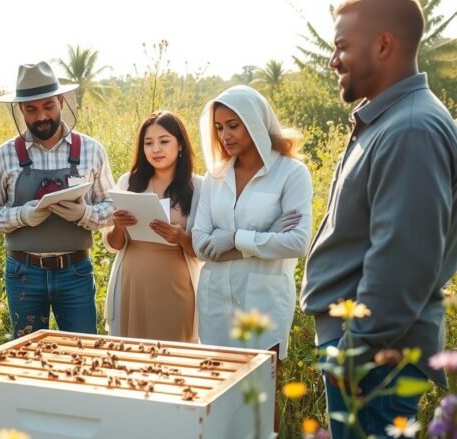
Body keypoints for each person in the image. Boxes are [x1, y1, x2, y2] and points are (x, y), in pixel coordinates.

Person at [300, 0, 457, 436]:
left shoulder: (410, 128)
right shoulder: (394, 121)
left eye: (342, 47)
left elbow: (402, 261)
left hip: (374, 357)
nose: (333, 60)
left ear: (384, 45)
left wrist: (354, 350)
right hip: (368, 350)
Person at [0, 61, 115, 338]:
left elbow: (112, 207)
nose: (41, 116)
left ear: (62, 101)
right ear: (20, 110)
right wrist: (20, 216)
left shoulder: (91, 150)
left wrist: (84, 214)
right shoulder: (4, 155)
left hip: (75, 272)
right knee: (27, 357)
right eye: (31, 109)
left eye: (48, 106)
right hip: (23, 273)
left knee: (82, 352)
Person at [192, 85, 313, 359]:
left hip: (264, 304)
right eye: (219, 127)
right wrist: (265, 238)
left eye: (233, 125)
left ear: (255, 122)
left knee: (260, 392)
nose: (225, 135)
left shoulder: (291, 173)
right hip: (215, 305)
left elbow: (297, 242)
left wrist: (233, 239)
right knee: (216, 389)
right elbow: (200, 246)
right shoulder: (215, 176)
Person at [102, 111, 202, 342]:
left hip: (176, 284)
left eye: (164, 141)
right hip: (131, 281)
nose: (156, 149)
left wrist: (180, 237)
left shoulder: (198, 186)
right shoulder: (129, 181)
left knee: (175, 352)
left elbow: (203, 248)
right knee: (131, 353)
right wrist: (119, 226)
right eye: (148, 143)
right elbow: (115, 244)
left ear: (180, 146)